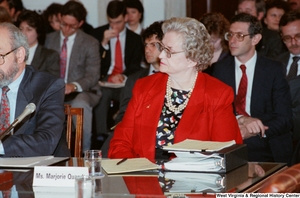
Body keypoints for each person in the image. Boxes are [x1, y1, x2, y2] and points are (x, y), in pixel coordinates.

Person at [108, 17, 243, 160]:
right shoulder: (144, 87)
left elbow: (227, 155)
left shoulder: (217, 94)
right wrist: (137, 173)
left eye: (169, 51)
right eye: (162, 48)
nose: (160, 55)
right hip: (144, 175)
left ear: (192, 59)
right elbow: (120, 143)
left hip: (193, 178)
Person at [212, 13, 293, 163]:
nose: (232, 41)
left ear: (255, 39)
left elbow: (284, 119)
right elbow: (214, 112)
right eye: (230, 35)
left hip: (265, 144)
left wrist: (251, 129)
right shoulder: (219, 69)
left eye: (240, 35)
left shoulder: (273, 70)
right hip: (231, 142)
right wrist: (241, 119)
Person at [0, 22, 69, 157]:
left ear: (19, 55)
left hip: (37, 172)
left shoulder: (48, 86)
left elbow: (46, 141)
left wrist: (2, 146)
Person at [101, 21, 163, 158]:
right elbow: (122, 113)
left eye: (153, 45)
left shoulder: (174, 77)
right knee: (111, 142)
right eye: (146, 45)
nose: (147, 50)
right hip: (132, 131)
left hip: (159, 135)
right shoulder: (134, 79)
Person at [45, 1, 101, 152]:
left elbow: (92, 75)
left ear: (81, 23)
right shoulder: (49, 39)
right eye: (64, 24)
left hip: (83, 91)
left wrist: (73, 85)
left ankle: (83, 153)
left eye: (72, 26)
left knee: (80, 104)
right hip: (55, 90)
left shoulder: (90, 42)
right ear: (59, 17)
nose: (67, 29)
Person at [91, 0, 143, 136]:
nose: (114, 26)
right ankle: (101, 135)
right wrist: (103, 44)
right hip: (104, 80)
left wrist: (124, 76)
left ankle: (123, 133)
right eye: (111, 22)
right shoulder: (97, 34)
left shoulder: (135, 39)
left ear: (125, 18)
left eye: (118, 22)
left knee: (130, 95)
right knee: (102, 95)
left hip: (124, 81)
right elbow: (94, 66)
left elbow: (135, 66)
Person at [277, 10, 300, 147]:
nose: (293, 42)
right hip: (280, 139)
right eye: (287, 38)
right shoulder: (274, 64)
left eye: (298, 36)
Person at [16, 10, 60, 77]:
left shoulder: (50, 57)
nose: (23, 33)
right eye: (21, 29)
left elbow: (52, 84)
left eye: (29, 29)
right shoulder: (12, 52)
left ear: (38, 32)